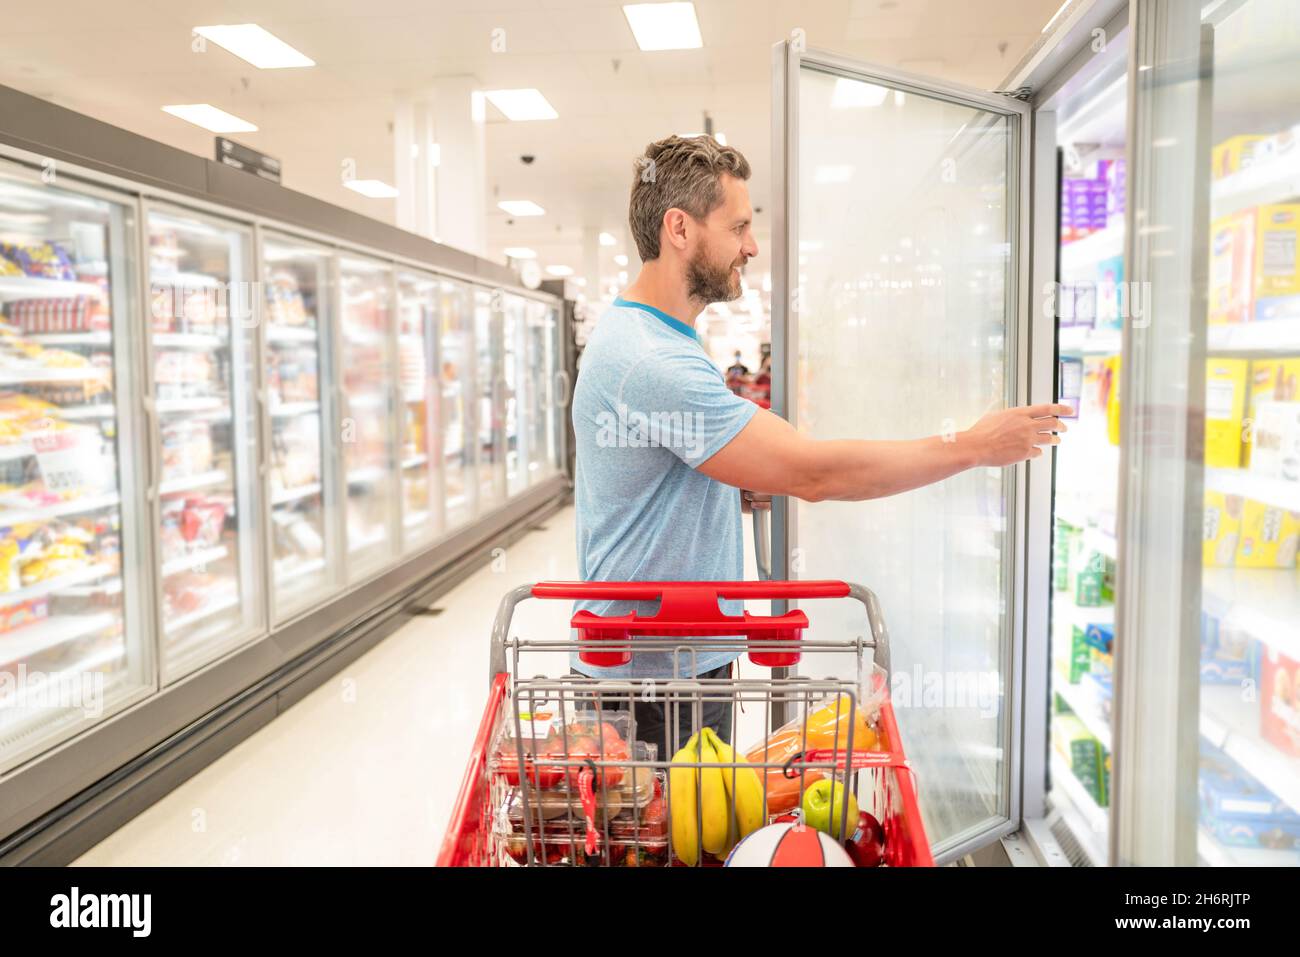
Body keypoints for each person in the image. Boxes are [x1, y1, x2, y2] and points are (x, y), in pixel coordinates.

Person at [569, 134, 1069, 760]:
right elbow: (814, 473)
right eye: (739, 227)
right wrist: (971, 446)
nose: (750, 246)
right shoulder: (650, 358)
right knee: (664, 849)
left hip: (673, 655)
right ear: (679, 228)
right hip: (651, 678)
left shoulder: (655, 338)